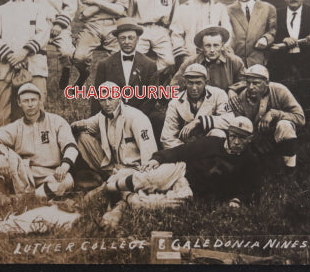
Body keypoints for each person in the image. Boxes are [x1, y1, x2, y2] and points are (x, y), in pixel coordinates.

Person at [108, 116, 260, 214]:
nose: (237, 142)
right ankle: (109, 187)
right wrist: (158, 158)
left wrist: (236, 200)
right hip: (181, 170)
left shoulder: (250, 161)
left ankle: (126, 196)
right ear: (228, 134)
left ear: (250, 139)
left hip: (191, 189)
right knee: (149, 179)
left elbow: (249, 188)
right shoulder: (212, 142)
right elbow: (182, 151)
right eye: (233, 136)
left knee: (148, 205)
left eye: (242, 138)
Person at [71, 81, 158, 227]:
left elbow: (150, 153)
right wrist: (75, 125)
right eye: (103, 99)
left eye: (111, 98)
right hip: (111, 166)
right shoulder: (102, 116)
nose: (107, 103)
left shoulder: (136, 118)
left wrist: (143, 178)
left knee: (96, 196)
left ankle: (109, 192)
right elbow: (86, 125)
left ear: (119, 97)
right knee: (82, 136)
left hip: (133, 169)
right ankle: (107, 182)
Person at [0, 83, 79, 199]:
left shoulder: (56, 121)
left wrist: (64, 167)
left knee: (67, 181)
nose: (30, 105)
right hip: (23, 173)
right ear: (19, 103)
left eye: (33, 100)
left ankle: (26, 199)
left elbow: (71, 146)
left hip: (50, 173)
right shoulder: (17, 126)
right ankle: (0, 193)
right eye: (26, 101)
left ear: (40, 101)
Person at [0, 0, 50, 128]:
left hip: (33, 63)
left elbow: (43, 33)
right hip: (6, 64)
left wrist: (23, 53)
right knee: (2, 108)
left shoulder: (38, 9)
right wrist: (11, 57)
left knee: (36, 104)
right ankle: (1, 144)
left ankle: (39, 143)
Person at [91, 18, 161, 139]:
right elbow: (97, 95)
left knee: (160, 118)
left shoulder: (149, 64)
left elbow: (152, 97)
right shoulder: (105, 64)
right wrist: (95, 121)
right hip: (113, 112)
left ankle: (158, 153)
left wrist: (135, 116)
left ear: (137, 39)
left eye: (131, 38)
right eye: (123, 38)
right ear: (117, 39)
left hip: (141, 111)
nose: (127, 42)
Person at [228, 65, 305, 172]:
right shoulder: (241, 97)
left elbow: (300, 118)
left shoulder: (280, 91)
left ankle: (290, 169)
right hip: (255, 138)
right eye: (248, 82)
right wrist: (255, 139)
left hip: (276, 134)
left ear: (267, 82)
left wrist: (274, 113)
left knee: (285, 125)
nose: (250, 87)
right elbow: (240, 125)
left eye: (256, 83)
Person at [27, 0, 77, 89]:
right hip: (37, 24)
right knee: (32, 51)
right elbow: (28, 4)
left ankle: (66, 71)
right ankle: (33, 81)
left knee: (67, 52)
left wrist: (59, 24)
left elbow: (71, 3)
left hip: (58, 23)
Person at [161, 63, 233, 149]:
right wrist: (187, 152)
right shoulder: (175, 102)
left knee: (219, 134)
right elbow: (167, 137)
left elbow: (229, 120)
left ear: (206, 82)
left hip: (209, 145)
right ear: (184, 83)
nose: (194, 88)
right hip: (185, 147)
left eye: (198, 83)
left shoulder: (218, 94)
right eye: (190, 83)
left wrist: (199, 121)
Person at [129, 0, 178, 77]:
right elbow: (129, 14)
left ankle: (150, 77)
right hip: (141, 29)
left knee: (169, 61)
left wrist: (171, 33)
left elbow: (175, 16)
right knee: (133, 60)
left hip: (161, 30)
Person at [170, 0, 232, 64]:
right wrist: (183, 55)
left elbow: (227, 30)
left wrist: (222, 49)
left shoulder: (219, 7)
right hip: (191, 54)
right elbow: (176, 34)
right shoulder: (183, 8)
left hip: (215, 53)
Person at [171, 25, 245, 96]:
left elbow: (246, 81)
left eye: (216, 45)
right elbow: (174, 87)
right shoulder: (190, 63)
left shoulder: (234, 61)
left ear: (222, 46)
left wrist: (233, 89)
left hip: (225, 104)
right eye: (208, 46)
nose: (212, 50)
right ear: (202, 47)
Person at [227, 0, 276, 67]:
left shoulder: (268, 8)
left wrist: (265, 38)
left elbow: (272, 31)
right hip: (235, 63)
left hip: (258, 62)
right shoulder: (228, 10)